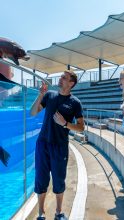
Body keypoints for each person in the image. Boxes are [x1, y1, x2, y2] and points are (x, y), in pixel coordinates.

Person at [30, 70, 84, 220]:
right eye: (60, 76)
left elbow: (81, 127)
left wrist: (66, 124)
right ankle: (41, 213)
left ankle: (58, 212)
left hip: (60, 146)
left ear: (71, 83)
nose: (60, 79)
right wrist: (40, 94)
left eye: (64, 78)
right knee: (41, 178)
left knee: (59, 179)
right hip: (43, 144)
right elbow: (33, 112)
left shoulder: (75, 102)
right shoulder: (49, 95)